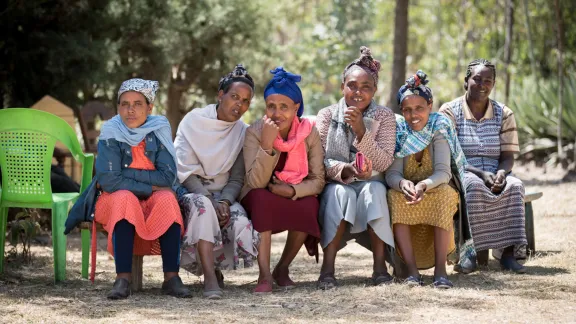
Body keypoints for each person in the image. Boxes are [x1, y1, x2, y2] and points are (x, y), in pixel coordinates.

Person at [90, 78, 189, 299]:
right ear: (118, 107)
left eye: (137, 104)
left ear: (149, 107)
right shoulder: (110, 131)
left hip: (152, 198)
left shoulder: (159, 128)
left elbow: (167, 176)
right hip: (114, 199)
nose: (130, 110)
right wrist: (149, 186)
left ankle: (171, 278)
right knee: (125, 198)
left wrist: (129, 177)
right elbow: (109, 181)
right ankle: (122, 279)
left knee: (167, 199)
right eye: (124, 104)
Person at [174, 65, 259, 299]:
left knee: (240, 220)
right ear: (220, 95)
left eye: (245, 101)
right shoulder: (194, 121)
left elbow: (237, 177)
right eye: (234, 97)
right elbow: (186, 172)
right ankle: (210, 278)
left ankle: (216, 268)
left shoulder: (243, 132)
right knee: (203, 210)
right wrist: (211, 201)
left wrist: (224, 200)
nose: (239, 105)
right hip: (190, 191)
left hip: (223, 194)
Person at [316, 46, 396, 289]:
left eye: (366, 87)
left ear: (374, 90)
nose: (358, 92)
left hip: (371, 181)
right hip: (339, 182)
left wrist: (362, 131)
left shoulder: (384, 116)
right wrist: (345, 170)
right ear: (342, 87)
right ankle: (328, 269)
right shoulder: (327, 115)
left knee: (375, 191)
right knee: (339, 193)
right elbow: (320, 160)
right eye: (352, 85)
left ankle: (380, 267)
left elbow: (384, 162)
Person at [240, 67, 325, 294]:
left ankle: (282, 268)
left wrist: (292, 190)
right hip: (259, 192)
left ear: (296, 108)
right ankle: (264, 274)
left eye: (284, 107)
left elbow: (318, 180)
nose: (276, 113)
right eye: (271, 106)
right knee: (261, 198)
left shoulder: (310, 133)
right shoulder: (255, 132)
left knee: (310, 204)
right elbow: (255, 182)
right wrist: (267, 146)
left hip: (291, 191)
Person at [439, 59, 527, 274]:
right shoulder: (449, 111)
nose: (482, 85)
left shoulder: (504, 114)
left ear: (493, 84)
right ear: (466, 81)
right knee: (474, 186)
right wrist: (480, 173)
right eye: (477, 79)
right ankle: (469, 254)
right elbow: (449, 155)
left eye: (488, 81)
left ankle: (507, 255)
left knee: (515, 186)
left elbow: (507, 156)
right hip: (460, 171)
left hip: (495, 170)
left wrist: (500, 173)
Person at [386, 71, 460, 288]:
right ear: (401, 111)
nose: (413, 115)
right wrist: (403, 184)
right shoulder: (399, 131)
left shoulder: (439, 128)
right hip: (408, 192)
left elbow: (443, 173)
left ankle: (440, 271)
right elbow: (392, 175)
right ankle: (412, 272)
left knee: (445, 195)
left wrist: (424, 185)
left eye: (419, 108)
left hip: (435, 187)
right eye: (407, 110)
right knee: (394, 196)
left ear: (430, 106)